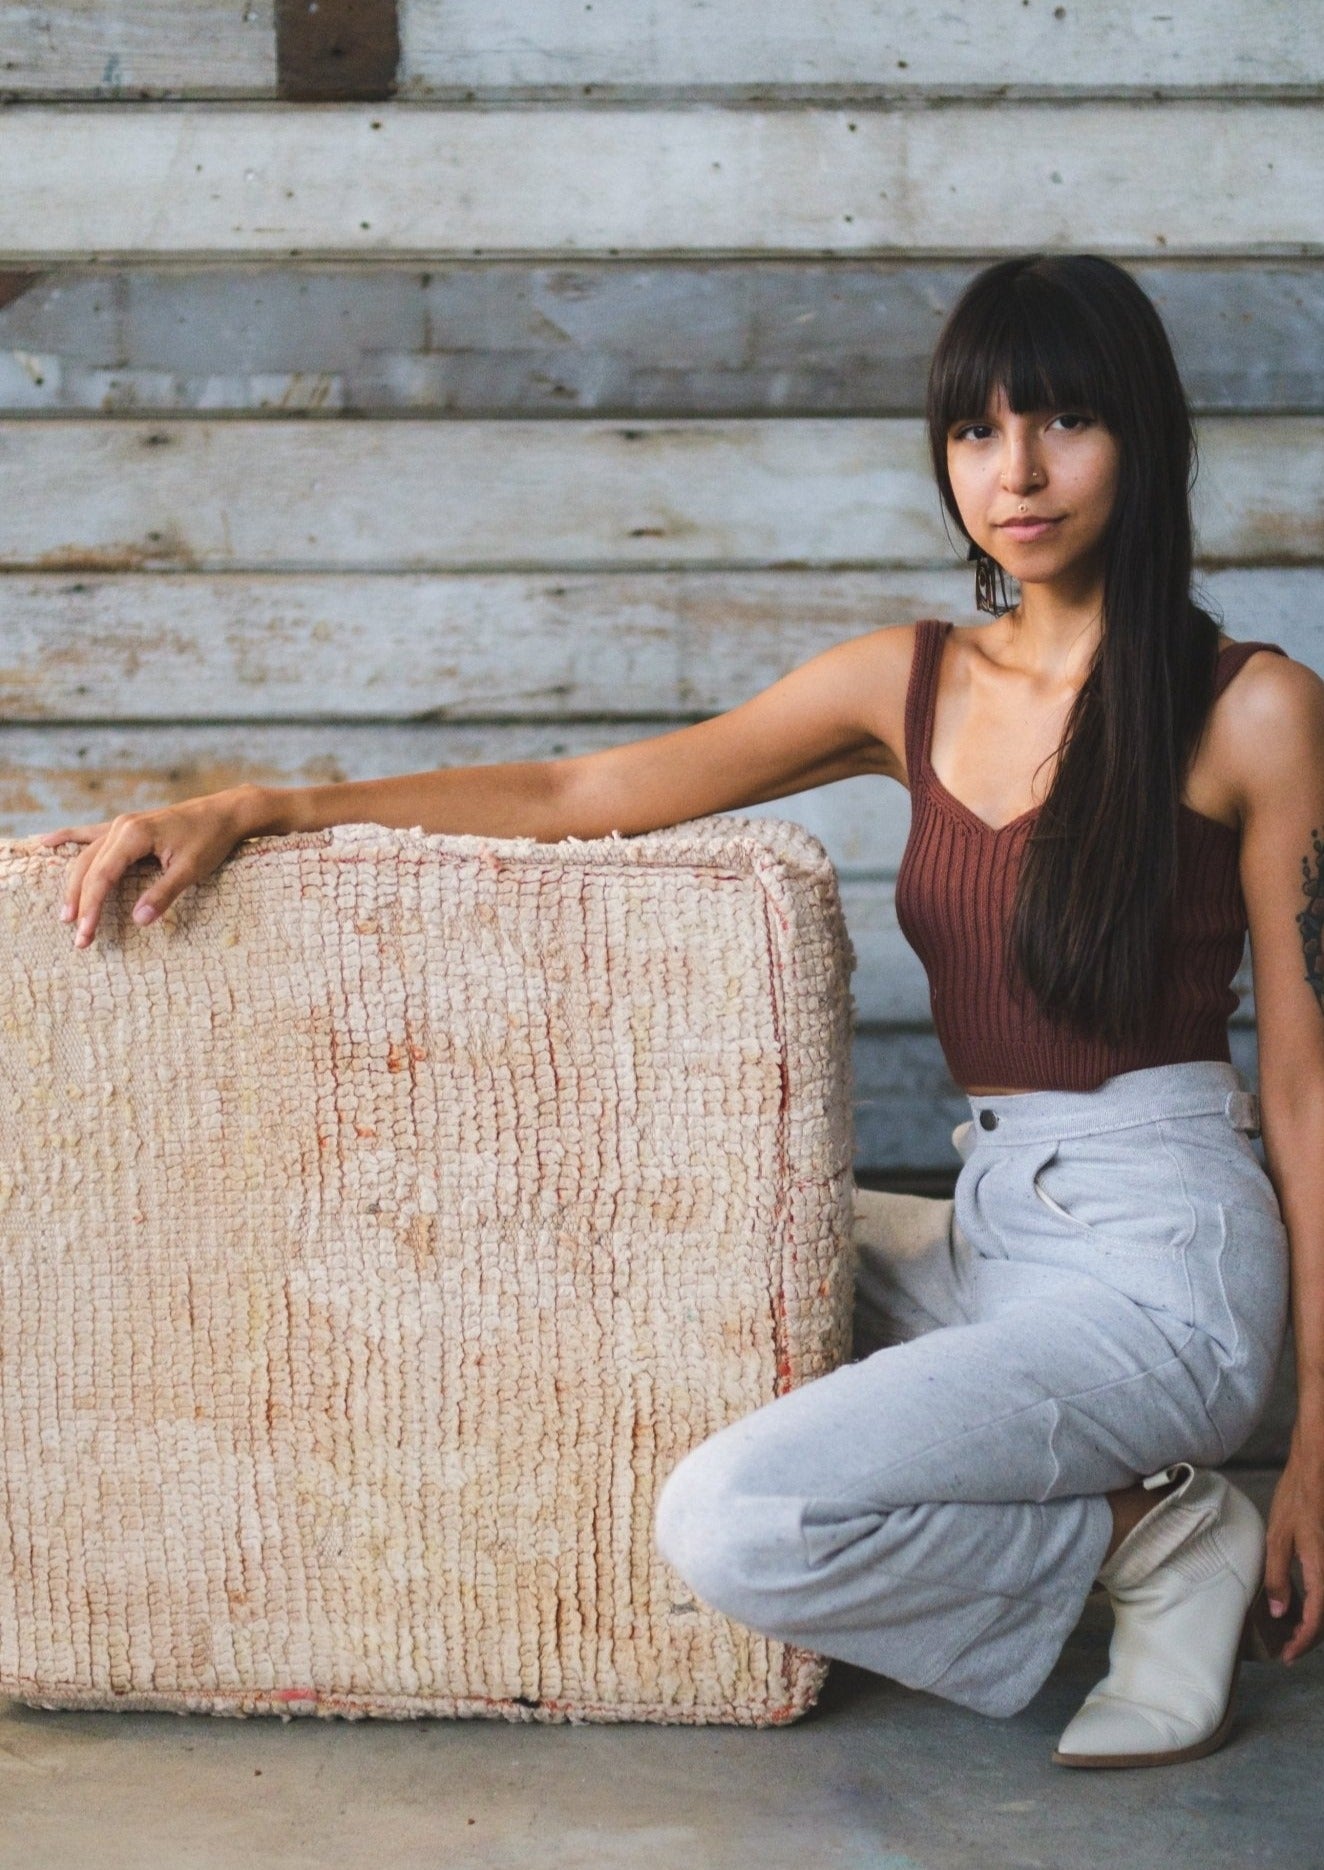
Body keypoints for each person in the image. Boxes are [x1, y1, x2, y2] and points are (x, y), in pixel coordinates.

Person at [32, 253, 1324, 1767]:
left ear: (1145, 438)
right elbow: (584, 792)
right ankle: (1146, 1526)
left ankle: (1150, 1542)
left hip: (1162, 1257)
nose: (1016, 472)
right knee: (649, 1253)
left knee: (739, 1515)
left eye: (1065, 422)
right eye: (976, 432)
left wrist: (1320, 1446)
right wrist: (268, 803)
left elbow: (1306, 1087)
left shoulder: (1250, 708)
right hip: (989, 1227)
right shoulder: (905, 683)